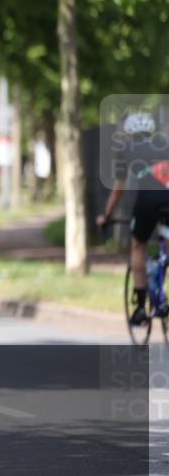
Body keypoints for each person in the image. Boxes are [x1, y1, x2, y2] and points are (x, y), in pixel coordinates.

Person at [97, 111, 169, 325]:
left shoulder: (125, 149)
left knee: (138, 245)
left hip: (147, 203)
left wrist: (106, 215)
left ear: (128, 133)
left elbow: (119, 188)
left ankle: (139, 309)